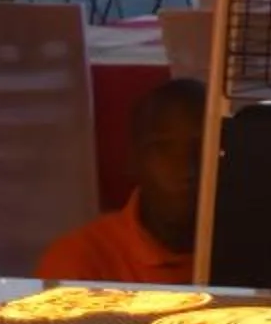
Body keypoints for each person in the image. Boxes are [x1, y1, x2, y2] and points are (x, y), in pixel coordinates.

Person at [38, 78, 205, 284]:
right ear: (132, 161)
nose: (186, 167)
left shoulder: (249, 250)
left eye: (202, 147)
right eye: (162, 148)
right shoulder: (79, 260)